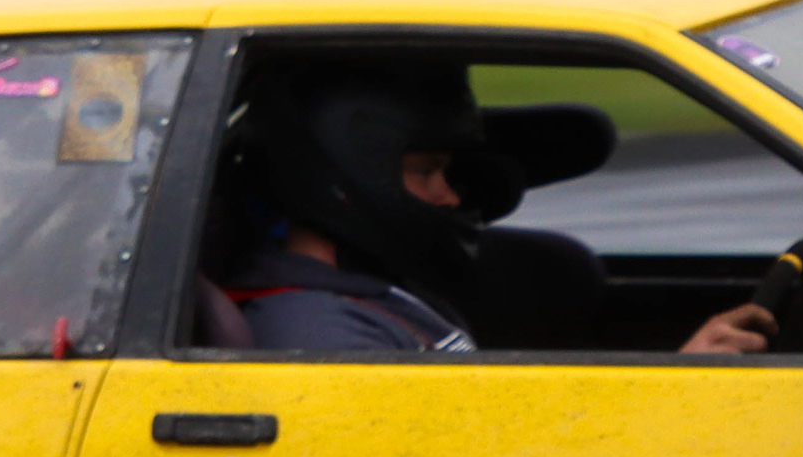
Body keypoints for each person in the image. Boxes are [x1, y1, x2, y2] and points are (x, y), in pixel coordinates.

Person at [220, 61, 774, 357]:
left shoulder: (373, 293)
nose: (450, 197)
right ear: (345, 177)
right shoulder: (322, 337)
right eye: (425, 173)